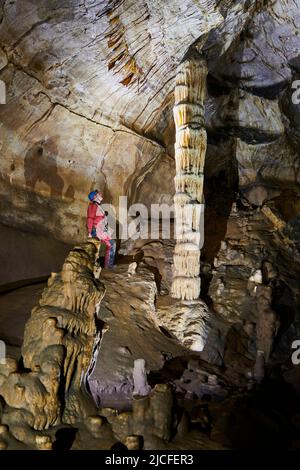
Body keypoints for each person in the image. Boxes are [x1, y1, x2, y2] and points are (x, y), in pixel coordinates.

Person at [87, 190, 116, 268]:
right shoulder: (93, 206)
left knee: (107, 245)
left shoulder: (98, 206)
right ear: (95, 197)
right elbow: (90, 219)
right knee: (111, 244)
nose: (100, 194)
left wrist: (107, 230)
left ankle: (106, 265)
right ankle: (108, 266)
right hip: (96, 230)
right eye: (98, 194)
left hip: (100, 230)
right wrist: (89, 232)